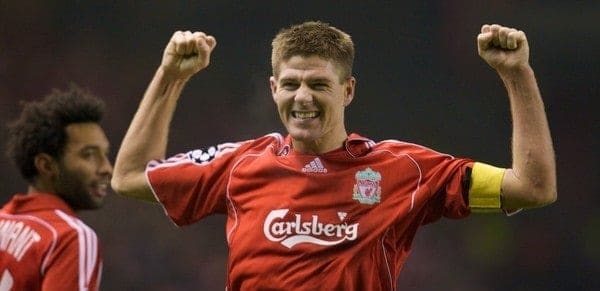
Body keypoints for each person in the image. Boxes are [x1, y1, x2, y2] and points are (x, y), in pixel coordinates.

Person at [111, 21, 556, 290]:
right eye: (290, 83)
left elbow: (533, 188)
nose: (302, 96)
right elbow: (129, 176)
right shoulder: (240, 164)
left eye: (319, 84)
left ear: (348, 90)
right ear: (273, 89)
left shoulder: (404, 169)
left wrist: (516, 74)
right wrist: (170, 76)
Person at [1, 84, 112, 290]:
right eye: (88, 155)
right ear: (46, 165)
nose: (107, 168)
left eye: (105, 154)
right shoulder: (70, 238)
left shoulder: (3, 220)